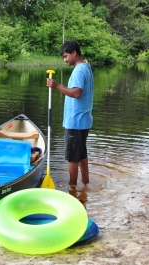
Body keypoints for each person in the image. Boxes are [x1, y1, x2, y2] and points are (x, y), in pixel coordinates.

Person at [46, 39, 94, 190]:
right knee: (81, 154)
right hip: (84, 120)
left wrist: (56, 85)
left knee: (73, 156)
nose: (64, 59)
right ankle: (86, 183)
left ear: (74, 53)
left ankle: (72, 187)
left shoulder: (79, 70)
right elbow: (85, 63)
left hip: (75, 120)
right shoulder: (86, 66)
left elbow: (77, 93)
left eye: (66, 56)